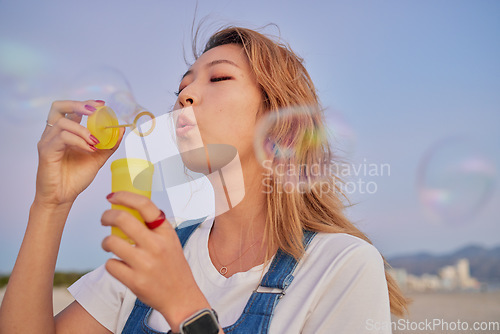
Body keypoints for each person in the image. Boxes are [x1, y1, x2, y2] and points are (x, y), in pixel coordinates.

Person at [0, 26, 408, 333]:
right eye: (183, 86)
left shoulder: (342, 265)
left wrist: (187, 311)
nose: (185, 95)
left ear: (281, 123)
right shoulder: (154, 253)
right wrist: (50, 203)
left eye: (218, 78)